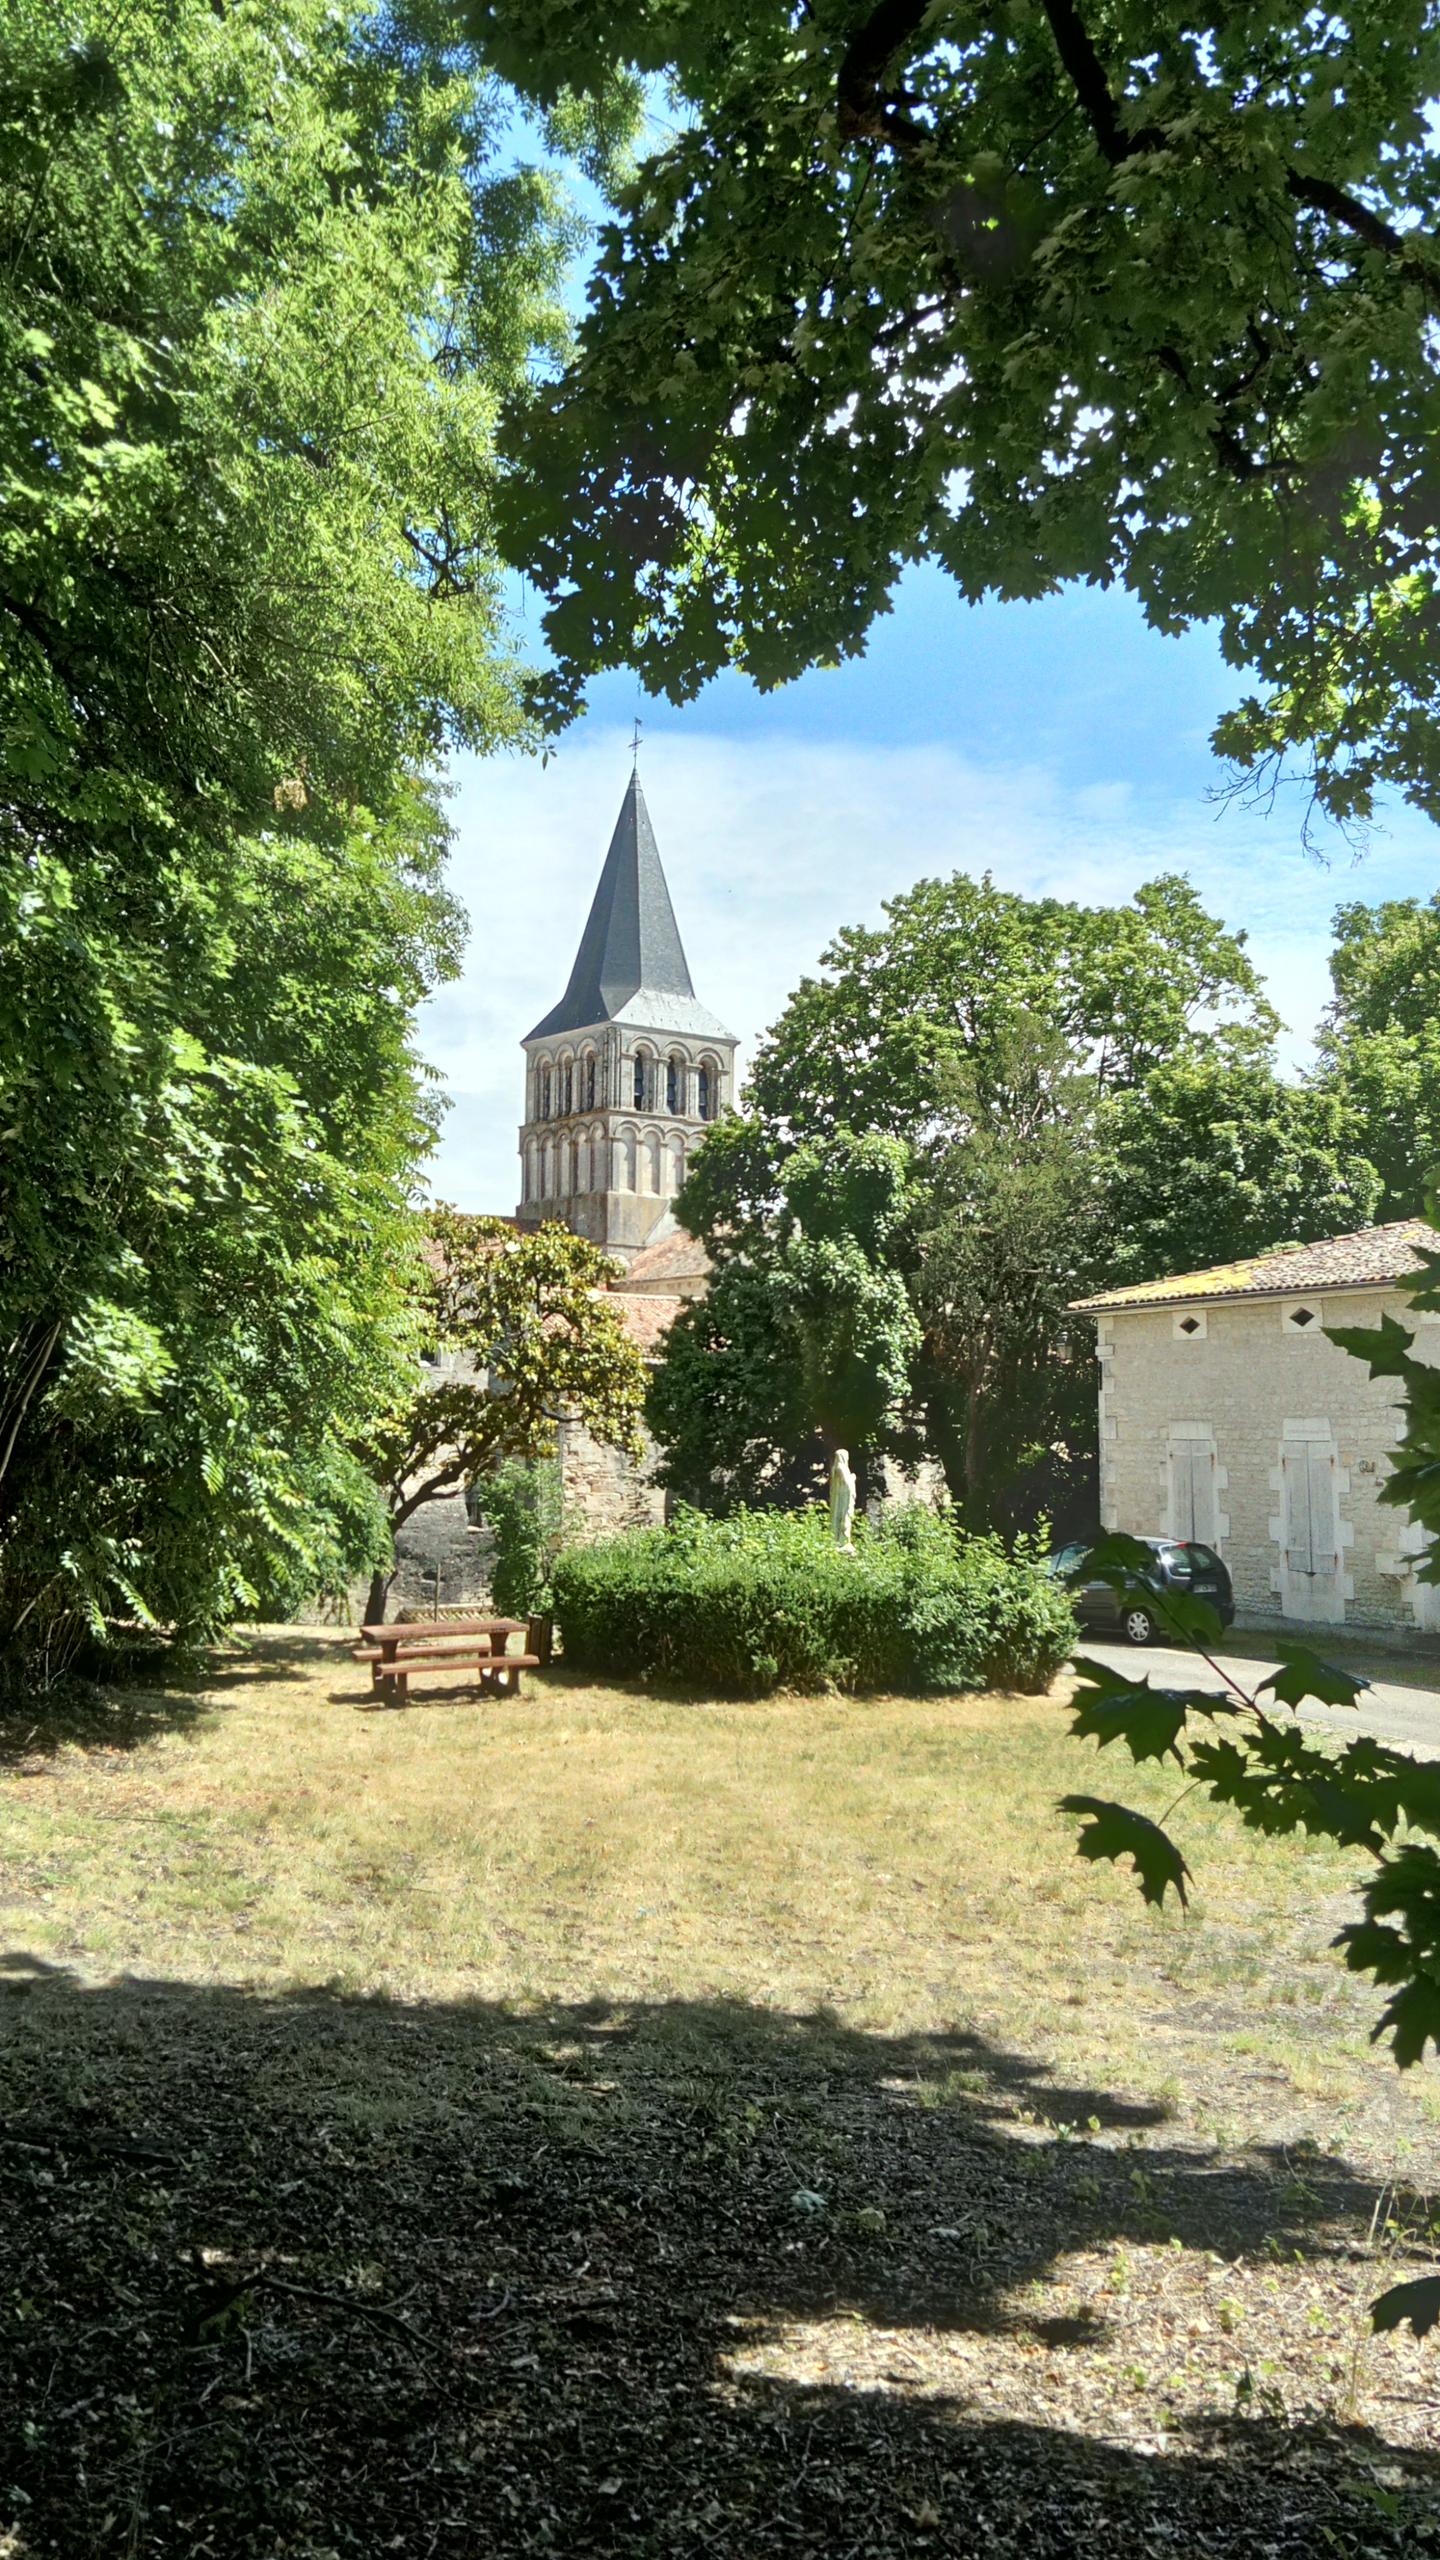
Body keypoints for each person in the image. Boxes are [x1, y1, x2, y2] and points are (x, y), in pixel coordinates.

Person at [829, 1447, 857, 1552]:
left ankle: (839, 1539)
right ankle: (843, 1540)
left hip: (840, 1497)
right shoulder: (841, 1468)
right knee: (845, 1516)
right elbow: (847, 1482)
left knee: (841, 1517)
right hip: (844, 1497)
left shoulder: (835, 1468)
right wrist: (853, 1477)